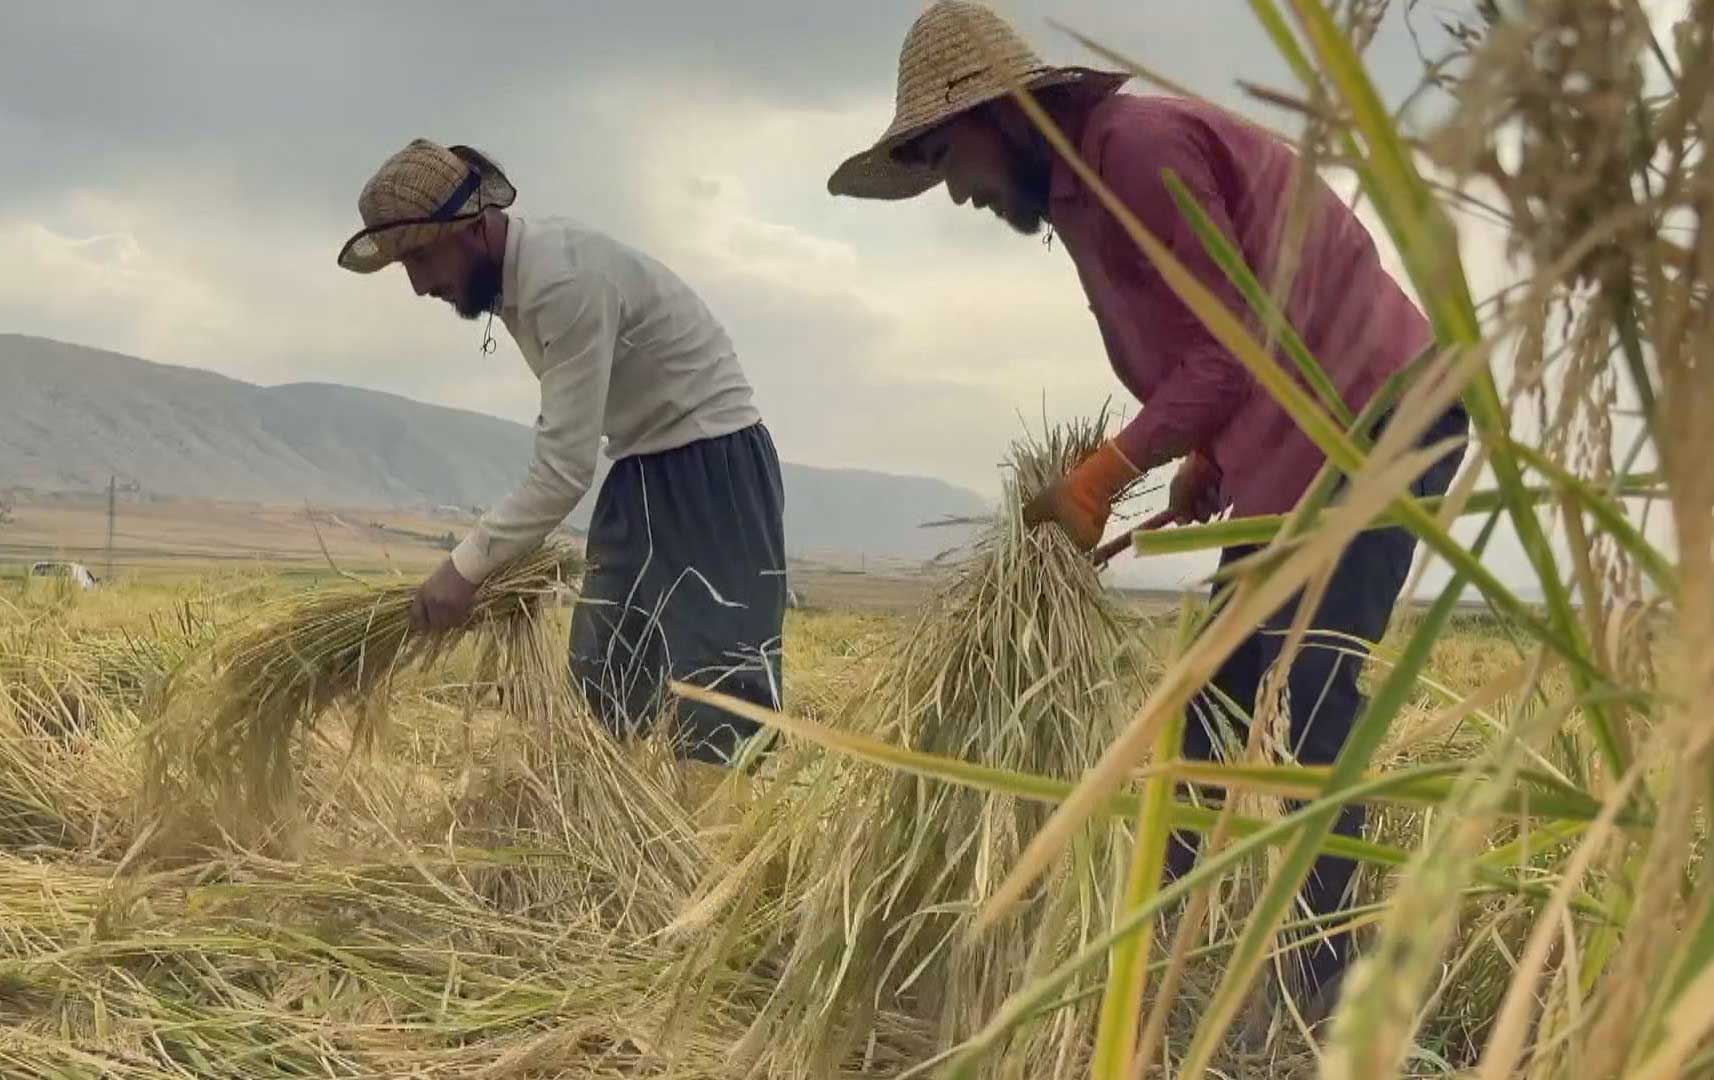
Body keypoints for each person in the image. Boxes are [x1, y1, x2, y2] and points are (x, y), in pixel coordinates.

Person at [830, 2, 1468, 1022]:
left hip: (1375, 417)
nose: (955, 191)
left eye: (949, 157)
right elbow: (1222, 344)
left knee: (1307, 690)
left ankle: (1328, 994)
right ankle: (1141, 958)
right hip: (1301, 447)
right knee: (1209, 706)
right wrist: (1206, 458)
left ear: (1004, 115)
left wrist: (1102, 478)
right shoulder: (1086, 195)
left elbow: (1231, 349)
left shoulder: (1134, 150)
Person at [338, 138, 785, 766]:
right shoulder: (522, 284)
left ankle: (720, 821)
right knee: (603, 686)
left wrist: (463, 569)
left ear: (473, 229)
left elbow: (564, 469)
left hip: (713, 469)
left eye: (420, 257)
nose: (417, 286)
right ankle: (602, 819)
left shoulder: (564, 281)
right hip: (639, 470)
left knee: (721, 701)